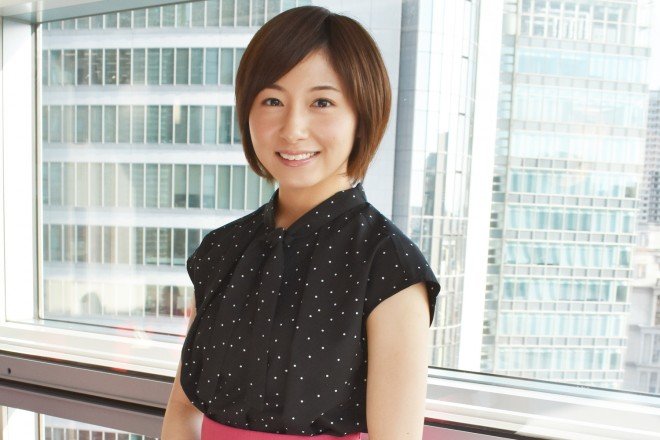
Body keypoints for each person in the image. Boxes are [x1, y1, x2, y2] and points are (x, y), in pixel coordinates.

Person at [161, 5, 440, 440]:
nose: (293, 129)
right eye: (272, 101)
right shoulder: (221, 250)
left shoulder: (389, 267)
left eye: (321, 102)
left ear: (362, 115)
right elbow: (183, 408)